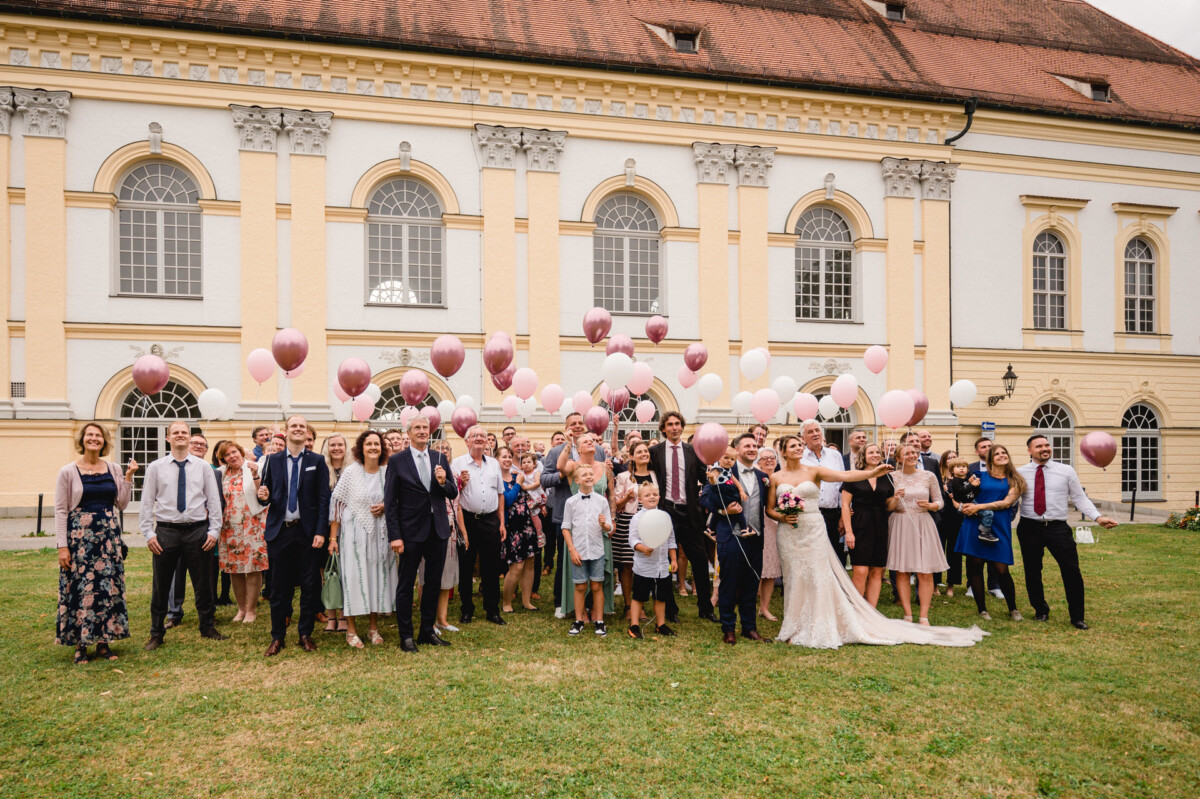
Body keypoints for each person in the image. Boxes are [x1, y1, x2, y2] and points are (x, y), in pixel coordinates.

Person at [769, 429, 985, 648]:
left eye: (799, 445)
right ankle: (794, 624)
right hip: (789, 534)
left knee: (817, 575)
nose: (798, 448)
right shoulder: (776, 477)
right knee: (794, 576)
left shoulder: (814, 471)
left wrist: (873, 473)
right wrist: (782, 517)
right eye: (793, 446)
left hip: (814, 529)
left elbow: (846, 476)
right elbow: (770, 509)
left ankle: (819, 623)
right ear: (784, 452)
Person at [1016, 434, 1118, 629]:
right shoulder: (1020, 472)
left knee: (1071, 571)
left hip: (1058, 528)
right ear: (1029, 451)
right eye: (1039, 446)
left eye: (1047, 445)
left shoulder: (1066, 471)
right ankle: (1040, 610)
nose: (1045, 448)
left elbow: (1080, 498)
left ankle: (1077, 616)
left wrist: (1097, 517)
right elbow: (1011, 499)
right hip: (1029, 527)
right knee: (1032, 571)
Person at [140, 420, 226, 650]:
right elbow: (147, 503)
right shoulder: (156, 467)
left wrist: (214, 530)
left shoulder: (203, 467)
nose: (180, 435)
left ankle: (207, 626)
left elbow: (213, 500)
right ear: (168, 438)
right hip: (166, 531)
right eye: (175, 432)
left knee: (204, 583)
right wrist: (149, 533)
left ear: (190, 437)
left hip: (198, 531)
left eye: (184, 432)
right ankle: (156, 632)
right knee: (161, 584)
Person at [55, 423, 136, 663]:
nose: (94, 438)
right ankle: (81, 645)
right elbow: (60, 510)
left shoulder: (114, 468)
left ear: (104, 441)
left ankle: (104, 642)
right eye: (89, 435)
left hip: (108, 537)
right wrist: (62, 546)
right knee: (82, 588)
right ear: (82, 440)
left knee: (106, 588)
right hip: (80, 539)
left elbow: (121, 504)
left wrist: (128, 477)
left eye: (98, 436)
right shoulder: (68, 471)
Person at [256, 415, 331, 656]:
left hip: (308, 533)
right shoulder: (272, 460)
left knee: (310, 586)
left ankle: (305, 634)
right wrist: (263, 495)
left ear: (306, 432)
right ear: (286, 432)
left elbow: (323, 500)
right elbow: (264, 494)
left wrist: (321, 531)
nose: (298, 429)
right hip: (280, 532)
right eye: (294, 426)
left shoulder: (317, 461)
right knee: (279, 588)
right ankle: (277, 636)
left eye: (302, 426)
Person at [385, 416, 458, 652]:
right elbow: (390, 501)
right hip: (409, 532)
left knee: (433, 583)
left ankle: (427, 630)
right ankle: (406, 636)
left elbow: (452, 492)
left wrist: (443, 480)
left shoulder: (439, 457)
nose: (422, 431)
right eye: (417, 427)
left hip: (437, 529)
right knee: (406, 584)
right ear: (409, 432)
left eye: (425, 428)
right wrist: (395, 535)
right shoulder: (397, 460)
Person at [329, 430, 396, 648]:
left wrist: (385, 506)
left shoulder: (388, 472)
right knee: (354, 579)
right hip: (354, 535)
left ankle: (373, 628)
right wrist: (333, 538)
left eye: (377, 444)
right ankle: (351, 630)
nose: (373, 447)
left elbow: (397, 499)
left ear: (382, 448)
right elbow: (337, 504)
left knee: (376, 578)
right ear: (361, 448)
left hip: (381, 533)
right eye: (369, 444)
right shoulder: (351, 472)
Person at [648, 411, 715, 623]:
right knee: (665, 561)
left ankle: (705, 607)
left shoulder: (694, 451)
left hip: (690, 512)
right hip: (665, 511)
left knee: (700, 562)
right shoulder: (655, 452)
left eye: (678, 424)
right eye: (670, 424)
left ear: (682, 427)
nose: (674, 428)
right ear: (664, 428)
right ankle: (670, 609)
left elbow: (707, 477)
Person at [708, 435, 771, 645]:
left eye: (755, 446)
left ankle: (749, 628)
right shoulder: (724, 470)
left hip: (755, 537)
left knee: (751, 584)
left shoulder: (763, 476)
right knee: (729, 583)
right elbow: (704, 497)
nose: (752, 449)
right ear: (736, 449)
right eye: (747, 445)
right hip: (731, 535)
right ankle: (728, 628)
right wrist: (722, 508)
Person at [953, 444, 1023, 621]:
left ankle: (1013, 608)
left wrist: (980, 506)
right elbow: (962, 492)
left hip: (999, 525)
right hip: (974, 523)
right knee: (975, 566)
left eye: (1004, 452)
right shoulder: (978, 476)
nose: (1001, 455)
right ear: (990, 458)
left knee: (1002, 568)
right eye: (996, 453)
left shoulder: (1015, 479)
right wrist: (965, 505)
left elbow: (1007, 503)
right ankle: (982, 609)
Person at [885, 443, 948, 625]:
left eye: (914, 452)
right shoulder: (891, 477)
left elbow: (939, 501)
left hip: (923, 522)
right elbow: (887, 507)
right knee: (902, 571)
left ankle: (924, 616)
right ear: (898, 458)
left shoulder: (928, 476)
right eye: (907, 453)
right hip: (900, 522)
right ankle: (907, 613)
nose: (912, 455)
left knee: (925, 572)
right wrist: (895, 498)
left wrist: (931, 506)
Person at [557, 431, 616, 619]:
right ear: (579, 447)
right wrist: (569, 443)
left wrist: (611, 520)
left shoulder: (605, 468)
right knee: (580, 576)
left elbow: (612, 495)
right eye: (585, 441)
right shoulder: (574, 466)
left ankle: (597, 612)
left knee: (599, 574)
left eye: (592, 440)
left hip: (600, 528)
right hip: (578, 531)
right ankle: (580, 612)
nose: (590, 442)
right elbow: (559, 466)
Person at [452, 426, 506, 625]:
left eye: (482, 436)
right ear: (467, 441)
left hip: (491, 519)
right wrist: (461, 484)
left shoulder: (493, 464)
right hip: (467, 519)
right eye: (474, 436)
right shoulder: (457, 464)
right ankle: (466, 609)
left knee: (491, 567)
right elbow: (453, 495)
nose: (479, 439)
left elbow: (500, 494)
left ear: (487, 442)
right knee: (466, 566)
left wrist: (502, 522)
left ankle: (492, 609)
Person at [215, 441, 267, 624]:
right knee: (234, 569)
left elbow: (263, 493)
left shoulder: (256, 467)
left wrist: (254, 475)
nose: (232, 456)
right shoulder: (220, 474)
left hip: (252, 525)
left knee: (253, 568)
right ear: (223, 459)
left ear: (241, 452)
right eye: (227, 455)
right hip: (229, 527)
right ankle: (241, 609)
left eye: (234, 452)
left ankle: (251, 610)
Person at [840, 443, 894, 607]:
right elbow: (845, 505)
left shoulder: (888, 477)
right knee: (861, 570)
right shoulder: (853, 475)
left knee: (877, 570)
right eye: (871, 452)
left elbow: (889, 506)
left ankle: (871, 610)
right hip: (860, 524)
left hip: (881, 524)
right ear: (863, 455)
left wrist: (896, 498)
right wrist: (848, 532)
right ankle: (857, 609)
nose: (875, 455)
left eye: (877, 452)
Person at [562, 463, 613, 637]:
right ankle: (579, 620)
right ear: (577, 480)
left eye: (591, 474)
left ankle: (599, 621)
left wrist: (604, 524)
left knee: (597, 585)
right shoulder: (571, 502)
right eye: (584, 475)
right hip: (579, 551)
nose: (589, 477)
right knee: (580, 586)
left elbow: (610, 528)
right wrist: (572, 550)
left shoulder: (602, 500)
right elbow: (565, 527)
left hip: (597, 550)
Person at [612, 440, 657, 619]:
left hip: (650, 523)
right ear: (631, 456)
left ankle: (642, 603)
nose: (643, 454)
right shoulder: (624, 477)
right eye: (639, 452)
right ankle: (628, 605)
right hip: (628, 522)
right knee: (627, 565)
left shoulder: (655, 475)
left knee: (645, 564)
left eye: (646, 451)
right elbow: (615, 503)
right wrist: (627, 497)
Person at [626, 482, 677, 638]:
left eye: (655, 494)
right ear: (640, 499)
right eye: (647, 495)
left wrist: (673, 559)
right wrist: (642, 548)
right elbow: (632, 539)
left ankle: (660, 624)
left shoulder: (665, 516)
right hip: (644, 566)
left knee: (661, 596)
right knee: (639, 596)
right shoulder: (637, 518)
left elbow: (671, 539)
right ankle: (634, 624)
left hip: (662, 566)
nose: (652, 497)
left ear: (659, 497)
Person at [799, 419, 847, 567]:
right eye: (810, 432)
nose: (815, 434)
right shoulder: (799, 457)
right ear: (803, 438)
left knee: (833, 557)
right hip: (808, 515)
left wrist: (842, 516)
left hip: (832, 514)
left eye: (817, 430)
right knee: (810, 557)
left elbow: (842, 485)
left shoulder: (835, 456)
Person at [498, 447, 539, 613]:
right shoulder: (497, 479)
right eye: (504, 457)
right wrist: (518, 484)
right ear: (497, 460)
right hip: (511, 528)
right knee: (516, 566)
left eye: (509, 456)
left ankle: (526, 601)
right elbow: (507, 500)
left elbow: (535, 489)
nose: (508, 459)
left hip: (527, 525)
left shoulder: (518, 476)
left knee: (530, 563)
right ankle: (506, 602)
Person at [320, 432, 349, 633]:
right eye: (333, 445)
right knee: (328, 573)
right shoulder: (322, 470)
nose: (337, 448)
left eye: (340, 445)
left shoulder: (353, 470)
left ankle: (345, 617)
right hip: (325, 527)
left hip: (348, 528)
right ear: (327, 449)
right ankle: (331, 616)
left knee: (346, 573)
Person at [753, 447, 782, 620]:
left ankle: (764, 608)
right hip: (758, 520)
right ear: (759, 462)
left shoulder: (782, 477)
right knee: (756, 567)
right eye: (765, 458)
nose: (769, 460)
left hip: (777, 523)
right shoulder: (756, 477)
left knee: (771, 567)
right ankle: (749, 603)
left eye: (772, 458)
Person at [936, 451, 964, 596]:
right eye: (949, 458)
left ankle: (951, 585)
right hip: (939, 518)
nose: (952, 460)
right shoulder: (938, 477)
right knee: (937, 550)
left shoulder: (961, 479)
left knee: (954, 552)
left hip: (955, 519)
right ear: (944, 461)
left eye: (954, 458)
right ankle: (935, 583)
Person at [949, 459, 996, 542]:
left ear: (968, 469)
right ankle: (985, 532)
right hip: (966, 504)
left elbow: (971, 491)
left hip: (972, 501)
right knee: (988, 513)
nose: (961, 468)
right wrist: (972, 485)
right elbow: (961, 492)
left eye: (964, 466)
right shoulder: (955, 481)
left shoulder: (964, 480)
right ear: (952, 470)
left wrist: (976, 485)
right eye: (958, 467)